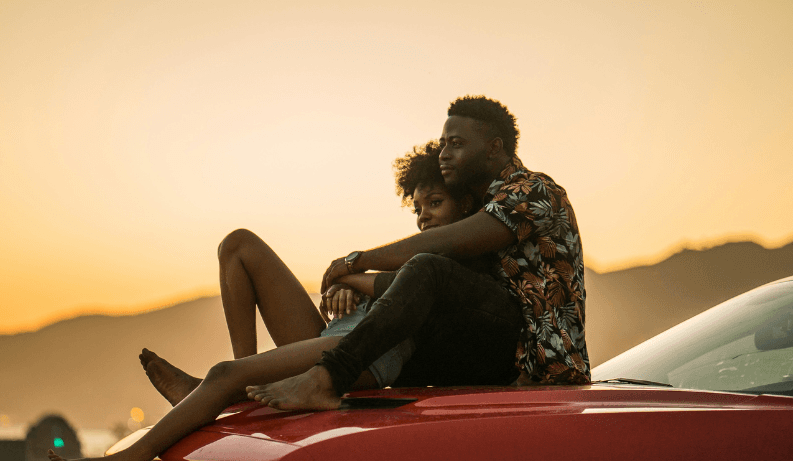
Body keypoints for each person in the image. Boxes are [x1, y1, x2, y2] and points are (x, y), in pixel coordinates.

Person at [48, 142, 480, 461]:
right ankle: (231, 391)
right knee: (238, 245)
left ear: (465, 208)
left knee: (225, 373)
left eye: (435, 204)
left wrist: (357, 279)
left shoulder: (462, 262)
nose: (424, 216)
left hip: (361, 356)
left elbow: (416, 291)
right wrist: (351, 287)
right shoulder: (411, 259)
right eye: (419, 207)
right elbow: (382, 286)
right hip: (335, 335)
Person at [247, 95, 590, 411]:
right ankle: (264, 385)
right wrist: (355, 284)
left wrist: (356, 263)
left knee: (428, 269)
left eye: (456, 144)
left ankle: (325, 378)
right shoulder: (481, 202)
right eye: (443, 144)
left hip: (545, 368)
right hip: (493, 354)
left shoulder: (533, 190)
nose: (443, 153)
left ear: (493, 147)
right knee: (413, 320)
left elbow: (440, 247)